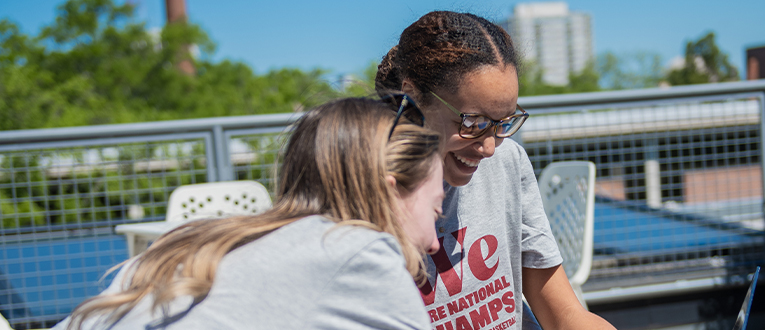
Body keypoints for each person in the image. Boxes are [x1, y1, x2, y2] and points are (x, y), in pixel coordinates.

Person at [53, 97, 444, 330]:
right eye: (435, 209)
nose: (433, 241)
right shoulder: (359, 253)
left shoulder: (196, 236)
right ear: (389, 191)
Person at [375, 11, 616, 330]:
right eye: (472, 123)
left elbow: (563, 315)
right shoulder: (361, 193)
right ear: (412, 97)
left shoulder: (508, 162)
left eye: (504, 123)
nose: (489, 148)